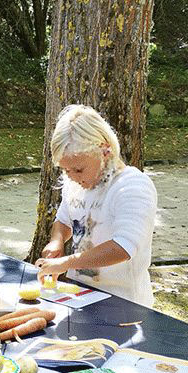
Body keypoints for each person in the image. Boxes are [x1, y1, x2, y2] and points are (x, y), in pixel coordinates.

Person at [35, 105, 157, 307]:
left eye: (78, 169)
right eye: (66, 170)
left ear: (105, 150)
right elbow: (64, 221)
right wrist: (56, 242)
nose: (72, 177)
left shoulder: (133, 185)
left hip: (124, 303)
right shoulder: (75, 184)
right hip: (79, 295)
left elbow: (123, 247)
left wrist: (66, 263)